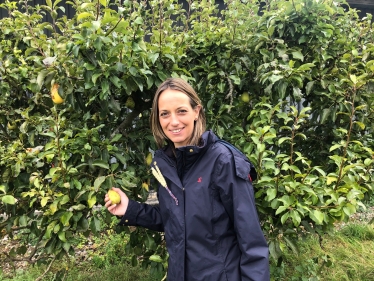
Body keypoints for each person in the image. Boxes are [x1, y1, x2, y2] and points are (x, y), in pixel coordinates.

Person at [105, 78, 270, 281]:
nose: (173, 121)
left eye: (181, 111)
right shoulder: (164, 163)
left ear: (196, 112)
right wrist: (130, 209)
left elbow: (251, 240)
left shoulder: (223, 161)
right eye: (165, 114)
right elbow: (175, 219)